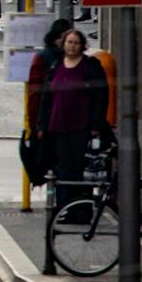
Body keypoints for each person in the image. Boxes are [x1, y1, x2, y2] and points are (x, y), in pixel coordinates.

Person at [37, 26, 108, 206]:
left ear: (82, 45)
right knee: (62, 168)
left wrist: (96, 125)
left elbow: (101, 96)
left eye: (76, 43)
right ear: (63, 44)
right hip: (58, 125)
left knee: (80, 169)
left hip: (81, 126)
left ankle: (81, 208)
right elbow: (46, 97)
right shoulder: (56, 65)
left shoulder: (90, 66)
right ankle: (64, 206)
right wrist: (41, 124)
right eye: (69, 42)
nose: (72, 46)